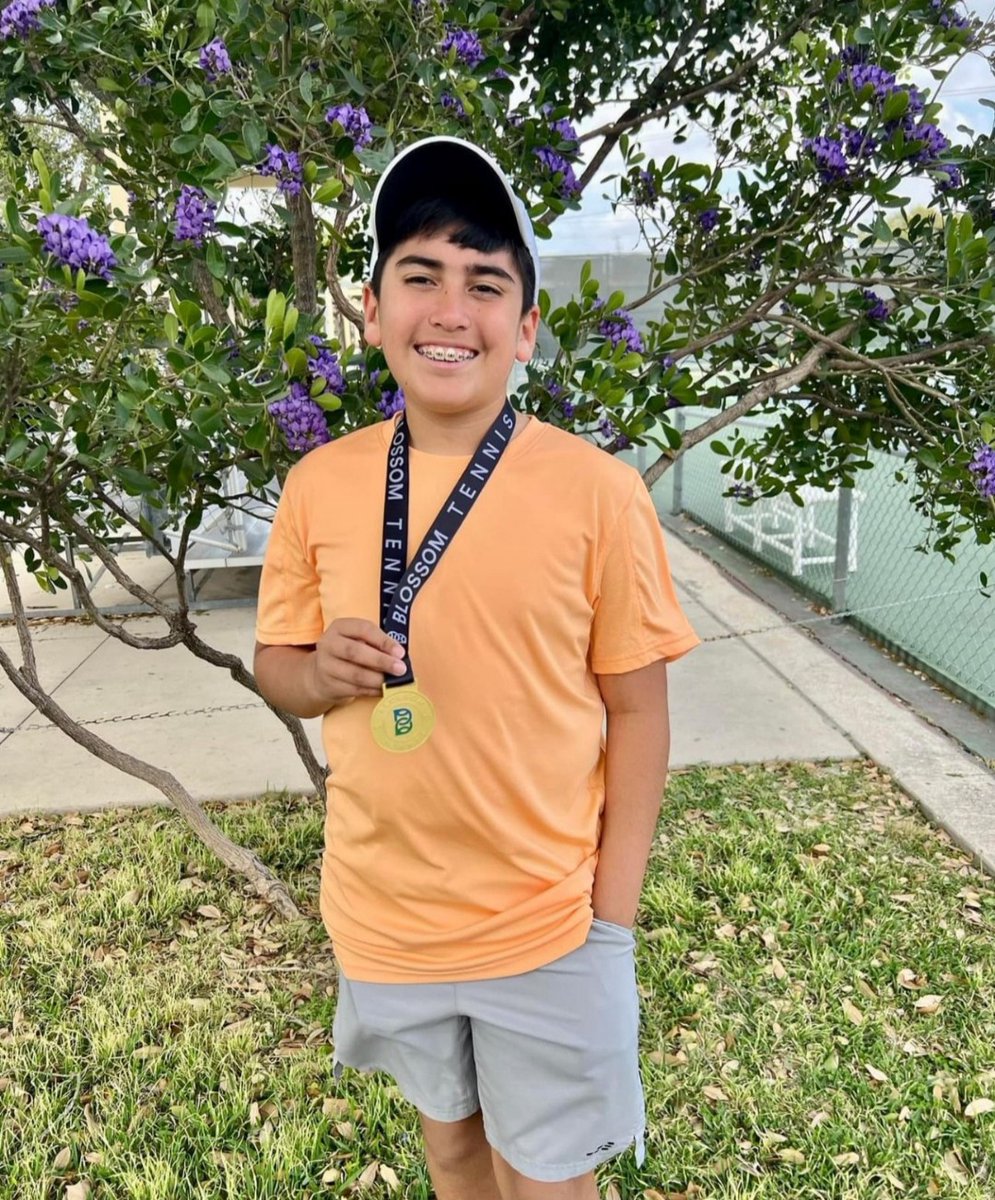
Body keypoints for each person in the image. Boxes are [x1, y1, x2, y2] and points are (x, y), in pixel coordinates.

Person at [253, 135, 699, 1200]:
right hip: (381, 915)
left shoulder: (597, 494)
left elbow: (638, 715)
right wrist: (317, 676)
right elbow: (275, 662)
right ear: (371, 310)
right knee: (451, 1147)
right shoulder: (320, 484)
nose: (450, 311)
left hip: (544, 926)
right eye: (419, 276)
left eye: (485, 284)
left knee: (544, 1176)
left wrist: (611, 924)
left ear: (525, 328)